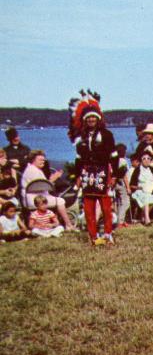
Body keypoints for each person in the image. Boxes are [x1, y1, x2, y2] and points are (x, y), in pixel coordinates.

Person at [68, 90, 117, 246]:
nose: (90, 120)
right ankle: (93, 236)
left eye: (93, 117)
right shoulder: (81, 138)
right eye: (88, 117)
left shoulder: (107, 134)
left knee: (106, 207)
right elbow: (78, 159)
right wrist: (77, 176)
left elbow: (114, 156)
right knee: (88, 207)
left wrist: (114, 174)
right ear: (84, 120)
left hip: (103, 172)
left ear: (98, 119)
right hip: (87, 173)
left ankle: (108, 234)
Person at [20, 150, 76, 231]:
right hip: (35, 199)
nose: (43, 161)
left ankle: (59, 223)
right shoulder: (34, 171)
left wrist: (50, 179)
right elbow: (43, 186)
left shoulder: (31, 169)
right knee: (60, 201)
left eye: (43, 160)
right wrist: (54, 179)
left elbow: (41, 184)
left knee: (56, 198)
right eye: (40, 160)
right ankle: (68, 225)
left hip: (32, 198)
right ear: (33, 160)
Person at [130, 152, 153, 226]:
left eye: (148, 158)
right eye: (144, 159)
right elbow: (132, 185)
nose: (146, 160)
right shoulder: (137, 170)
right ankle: (147, 220)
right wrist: (140, 187)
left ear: (151, 160)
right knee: (146, 197)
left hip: (150, 191)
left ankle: (143, 217)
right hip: (139, 191)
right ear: (141, 160)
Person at [114, 144, 131, 227]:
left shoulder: (114, 161)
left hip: (115, 183)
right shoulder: (122, 161)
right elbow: (124, 175)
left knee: (119, 203)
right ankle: (120, 221)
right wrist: (128, 187)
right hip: (122, 183)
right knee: (126, 203)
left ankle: (121, 220)